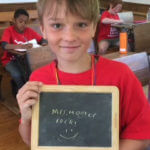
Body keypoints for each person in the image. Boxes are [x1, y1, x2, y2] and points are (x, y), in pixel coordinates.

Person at [17, 0, 150, 149]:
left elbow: (142, 134)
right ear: (43, 29)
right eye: (57, 25)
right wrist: (26, 118)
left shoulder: (121, 75)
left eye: (81, 25)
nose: (69, 37)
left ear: (94, 27)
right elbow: (32, 139)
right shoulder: (38, 80)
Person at [1, 8, 47, 91]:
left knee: (32, 73)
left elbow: (42, 40)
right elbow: (4, 45)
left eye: (25, 22)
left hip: (26, 59)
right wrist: (22, 46)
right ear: (14, 20)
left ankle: (30, 91)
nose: (23, 24)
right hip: (10, 60)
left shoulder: (29, 31)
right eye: (20, 21)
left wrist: (43, 45)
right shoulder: (9, 31)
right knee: (17, 75)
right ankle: (22, 92)